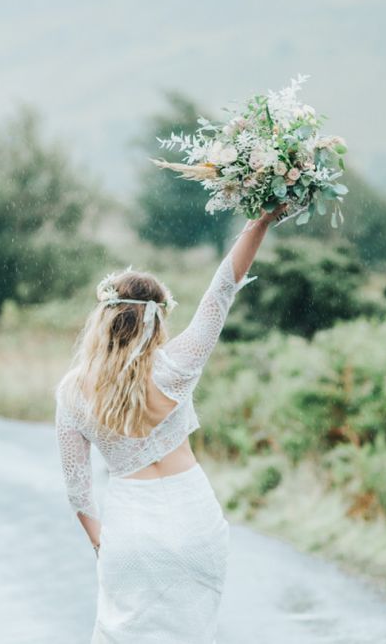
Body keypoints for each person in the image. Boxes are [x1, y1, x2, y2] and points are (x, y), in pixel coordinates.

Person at [55, 204, 287, 643]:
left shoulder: (72, 391)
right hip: (195, 521)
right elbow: (222, 291)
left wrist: (105, 546)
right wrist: (260, 222)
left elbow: (77, 488)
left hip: (131, 533)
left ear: (103, 318)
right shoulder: (178, 365)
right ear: (158, 318)